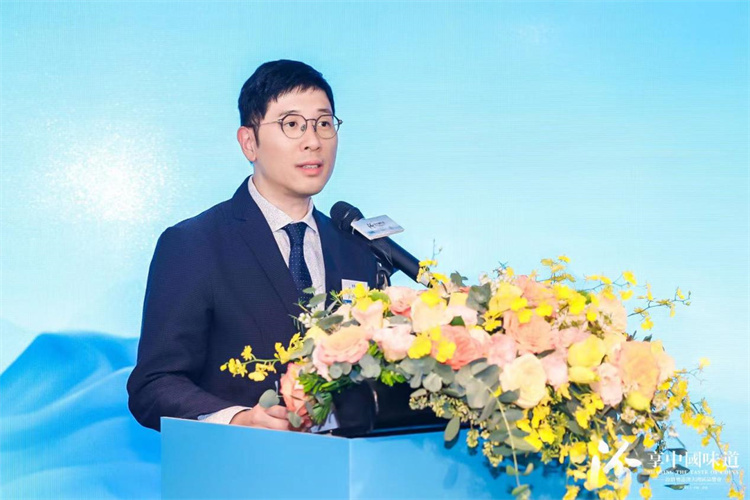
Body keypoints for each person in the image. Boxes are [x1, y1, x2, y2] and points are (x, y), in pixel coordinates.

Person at [127, 60, 379, 432]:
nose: (313, 141)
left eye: (324, 123)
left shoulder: (357, 249)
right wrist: (239, 419)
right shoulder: (195, 244)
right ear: (249, 142)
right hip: (243, 464)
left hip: (350, 464)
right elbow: (154, 384)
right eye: (291, 124)